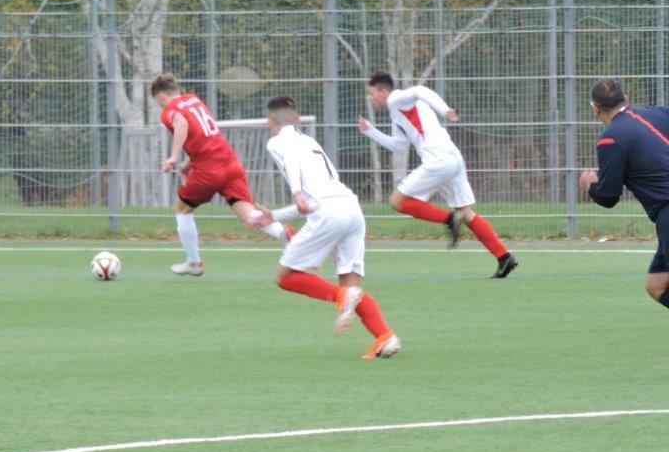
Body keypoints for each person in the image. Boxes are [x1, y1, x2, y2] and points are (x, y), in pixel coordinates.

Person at [251, 95, 399, 359]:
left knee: (286, 277)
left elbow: (296, 172)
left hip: (328, 214)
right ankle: (384, 337)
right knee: (351, 285)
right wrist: (273, 215)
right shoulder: (311, 142)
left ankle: (343, 297)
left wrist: (295, 192)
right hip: (352, 209)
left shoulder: (277, 142)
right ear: (298, 120)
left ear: (269, 121)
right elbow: (311, 200)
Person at [358, 70, 517, 278]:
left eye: (371, 93)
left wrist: (445, 110)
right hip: (453, 159)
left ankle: (449, 219)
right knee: (466, 213)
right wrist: (370, 131)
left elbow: (420, 90)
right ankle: (504, 257)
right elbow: (399, 145)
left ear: (383, 91)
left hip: (438, 160)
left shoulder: (396, 98)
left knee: (397, 201)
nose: (369, 98)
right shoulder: (397, 111)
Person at [150, 73, 292, 276]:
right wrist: (188, 163)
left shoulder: (170, 111)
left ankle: (194, 263)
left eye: (158, 102)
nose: (160, 106)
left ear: (161, 96)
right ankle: (283, 233)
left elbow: (181, 124)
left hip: (209, 170)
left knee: (182, 209)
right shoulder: (193, 100)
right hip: (231, 163)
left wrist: (173, 156)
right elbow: (204, 135)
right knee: (249, 215)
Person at [578, 78, 669, 311]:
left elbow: (608, 197)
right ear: (625, 98)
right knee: (657, 284)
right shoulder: (658, 113)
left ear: (595, 108)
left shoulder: (610, 138)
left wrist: (589, 184)